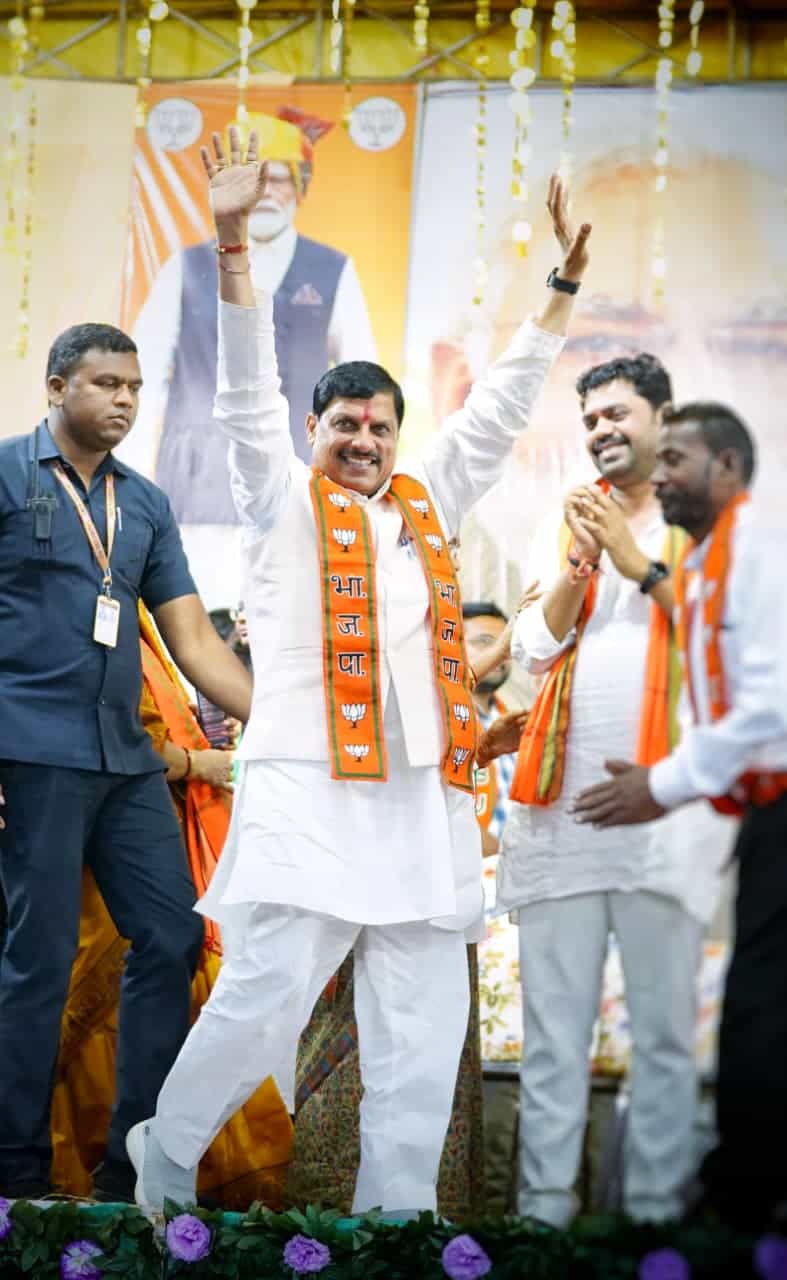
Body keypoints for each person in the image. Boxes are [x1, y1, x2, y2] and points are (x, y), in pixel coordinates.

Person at [125, 128, 591, 1217]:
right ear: (313, 429)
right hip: (306, 784)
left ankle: (398, 1216)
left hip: (419, 794)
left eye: (381, 426)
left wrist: (561, 288)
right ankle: (166, 1153)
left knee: (421, 1015)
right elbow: (243, 391)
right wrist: (231, 243)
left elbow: (500, 409)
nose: (366, 440)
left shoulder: (427, 502)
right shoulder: (277, 496)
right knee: (265, 991)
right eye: (345, 424)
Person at [0, 321, 253, 1200]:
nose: (124, 400)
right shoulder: (6, 473)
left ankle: (132, 1168)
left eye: (135, 387)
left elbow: (195, 642)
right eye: (106, 383)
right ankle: (16, 1178)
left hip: (126, 759)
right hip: (28, 752)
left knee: (174, 934)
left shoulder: (142, 502)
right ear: (56, 386)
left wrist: (285, 724)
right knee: (36, 960)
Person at [495, 355, 733, 1227]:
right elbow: (531, 648)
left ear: (663, 417)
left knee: (664, 1039)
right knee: (553, 1036)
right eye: (591, 417)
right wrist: (578, 562)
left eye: (618, 413)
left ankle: (652, 1226)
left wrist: (632, 559)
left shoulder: (706, 517)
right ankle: (542, 1223)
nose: (601, 429)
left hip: (663, 817)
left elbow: (720, 633)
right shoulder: (568, 519)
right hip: (561, 816)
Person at [573, 402, 787, 1231]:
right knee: (756, 1002)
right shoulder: (707, 560)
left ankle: (743, 1206)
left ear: (725, 466)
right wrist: (671, 783)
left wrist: (661, 785)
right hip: (760, 811)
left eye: (675, 460)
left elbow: (770, 707)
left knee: (760, 1004)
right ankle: (746, 1196)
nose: (658, 476)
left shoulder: (760, 549)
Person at [51, 604, 292, 1207]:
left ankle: (133, 1165)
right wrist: (193, 763)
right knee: (75, 997)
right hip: (90, 834)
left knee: (166, 964)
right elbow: (96, 720)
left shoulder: (138, 609)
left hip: (146, 835)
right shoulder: (66, 596)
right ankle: (68, 1174)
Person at [127, 108, 377, 524]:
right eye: (252, 177)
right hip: (197, 491)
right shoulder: (186, 267)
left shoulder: (333, 271)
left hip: (297, 491)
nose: (263, 191)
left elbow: (363, 383)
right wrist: (129, 476)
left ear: (300, 186)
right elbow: (142, 375)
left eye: (277, 178)